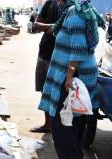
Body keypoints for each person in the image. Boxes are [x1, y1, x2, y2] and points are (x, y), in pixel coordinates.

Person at [38, 0, 105, 158]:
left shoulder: (75, 13)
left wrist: (68, 77)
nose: (57, 1)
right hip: (78, 76)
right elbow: (58, 28)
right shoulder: (77, 10)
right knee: (74, 125)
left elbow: (78, 47)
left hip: (71, 79)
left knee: (62, 128)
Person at [30, 0, 66, 133]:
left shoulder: (70, 5)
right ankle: (48, 124)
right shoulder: (49, 2)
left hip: (58, 56)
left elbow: (64, 30)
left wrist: (47, 27)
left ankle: (58, 125)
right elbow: (36, 25)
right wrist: (53, 27)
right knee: (43, 91)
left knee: (57, 92)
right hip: (44, 52)